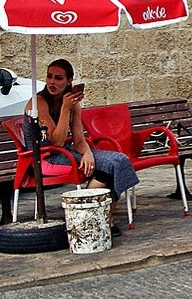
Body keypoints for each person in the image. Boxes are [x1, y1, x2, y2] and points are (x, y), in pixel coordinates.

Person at [24, 59, 140, 224]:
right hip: (44, 158)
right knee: (108, 169)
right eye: (49, 76)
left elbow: (79, 139)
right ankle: (87, 217)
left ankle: (105, 220)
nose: (52, 82)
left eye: (58, 78)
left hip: (66, 152)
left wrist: (87, 153)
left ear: (69, 81)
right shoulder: (38, 103)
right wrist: (65, 109)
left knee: (118, 160)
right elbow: (57, 141)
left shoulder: (72, 104)